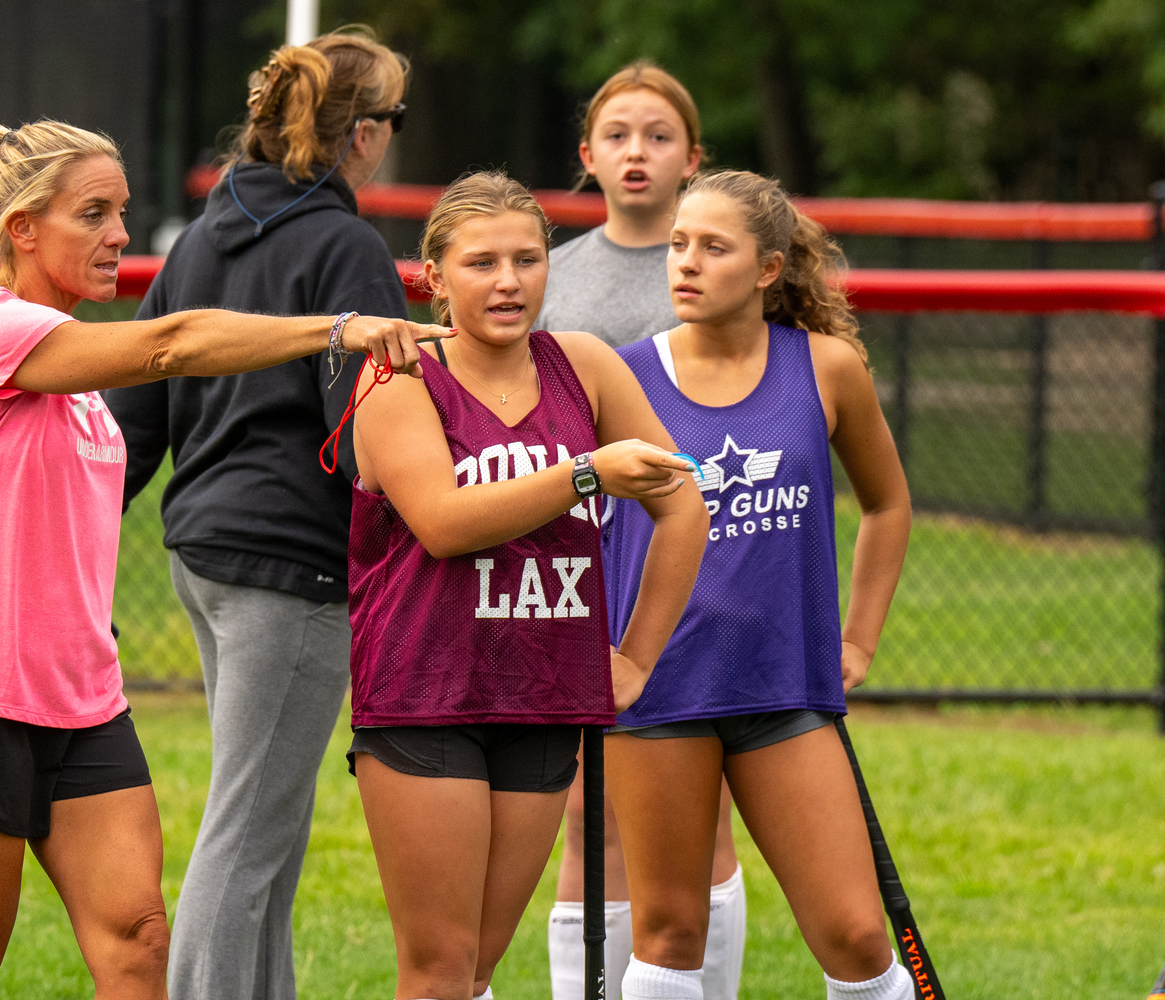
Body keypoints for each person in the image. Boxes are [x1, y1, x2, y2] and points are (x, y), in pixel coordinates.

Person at [0, 119, 445, 1000]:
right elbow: (169, 344)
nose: (119, 236)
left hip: (82, 698)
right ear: (22, 228)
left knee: (140, 940)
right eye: (94, 214)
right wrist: (334, 330)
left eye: (123, 213)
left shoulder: (78, 385)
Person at [101, 27, 412, 1000]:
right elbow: (364, 444)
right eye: (393, 120)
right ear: (360, 135)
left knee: (265, 830)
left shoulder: (200, 235)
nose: (395, 137)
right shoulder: (348, 245)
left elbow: (133, 419)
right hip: (291, 563)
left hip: (201, 550)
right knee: (247, 832)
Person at [346, 170, 709, 1000]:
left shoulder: (582, 365)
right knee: (437, 971)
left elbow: (683, 504)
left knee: (478, 965)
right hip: (426, 689)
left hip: (545, 692)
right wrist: (584, 473)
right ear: (433, 277)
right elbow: (442, 521)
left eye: (528, 259)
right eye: (481, 263)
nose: (509, 282)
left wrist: (637, 657)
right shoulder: (397, 378)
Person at [602, 169, 914, 1000]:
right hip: (659, 691)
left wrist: (858, 637)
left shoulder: (826, 366)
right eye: (677, 245)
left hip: (785, 686)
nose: (686, 263)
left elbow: (887, 503)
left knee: (855, 934)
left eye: (713, 247)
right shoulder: (618, 377)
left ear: (770, 268)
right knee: (668, 934)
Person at [535, 60, 749, 1000]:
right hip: (587, 566)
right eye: (617, 134)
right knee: (590, 803)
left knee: (699, 806)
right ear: (586, 155)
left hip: (700, 557)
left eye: (659, 136)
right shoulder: (556, 277)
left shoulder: (722, 266)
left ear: (693, 158)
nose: (636, 152)